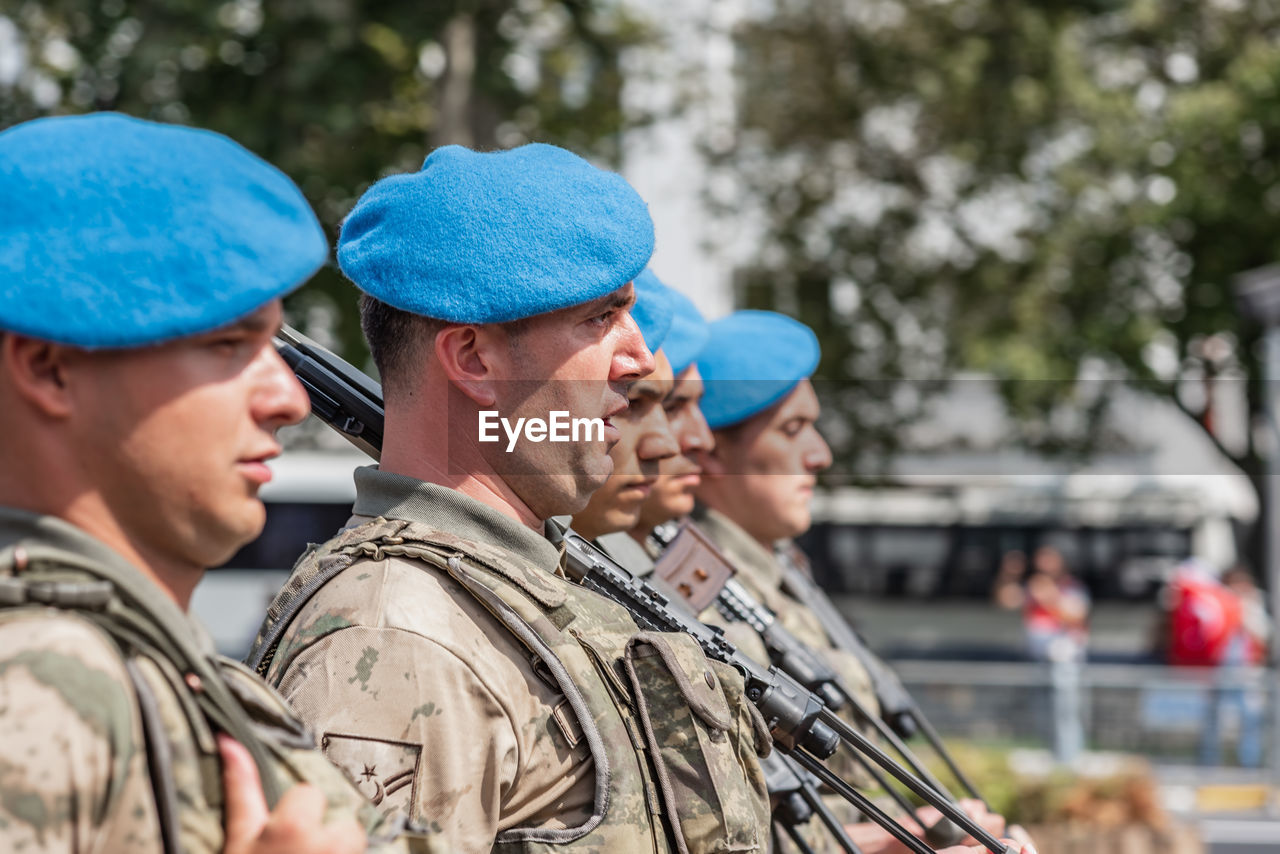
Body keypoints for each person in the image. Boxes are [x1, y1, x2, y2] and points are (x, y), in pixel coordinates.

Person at [247, 144, 775, 853]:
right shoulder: (395, 636)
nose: (642, 357)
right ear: (473, 361)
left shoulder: (532, 588)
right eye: (600, 318)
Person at [0, 113, 408, 854]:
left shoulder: (172, 673)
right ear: (49, 368)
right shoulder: (34, 690)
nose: (287, 401)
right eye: (227, 344)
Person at [689, 310, 1013, 853]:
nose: (820, 454)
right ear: (712, 450)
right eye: (792, 430)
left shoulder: (785, 574)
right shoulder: (697, 598)